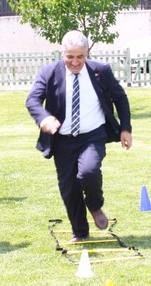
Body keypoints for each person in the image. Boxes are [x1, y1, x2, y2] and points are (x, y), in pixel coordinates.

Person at [26, 31, 132, 242]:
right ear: (62, 53)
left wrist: (125, 128)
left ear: (87, 53)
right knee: (69, 187)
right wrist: (44, 118)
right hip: (62, 139)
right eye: (70, 57)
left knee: (88, 171)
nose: (75, 62)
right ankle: (80, 232)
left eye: (80, 57)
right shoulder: (49, 72)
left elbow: (120, 98)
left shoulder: (101, 71)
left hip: (92, 135)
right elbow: (33, 101)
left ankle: (94, 205)